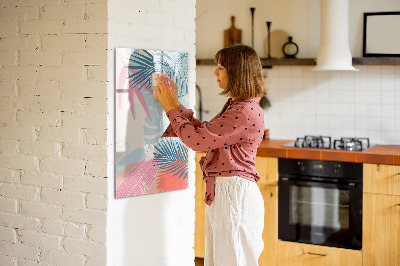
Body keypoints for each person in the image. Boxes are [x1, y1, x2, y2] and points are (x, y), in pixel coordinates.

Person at [154, 44, 266, 266]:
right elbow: (204, 133)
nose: (215, 72)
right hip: (229, 193)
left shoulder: (243, 111)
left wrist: (169, 107)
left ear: (236, 72)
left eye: (221, 67)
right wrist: (175, 103)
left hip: (234, 195)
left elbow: (196, 141)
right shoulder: (239, 106)